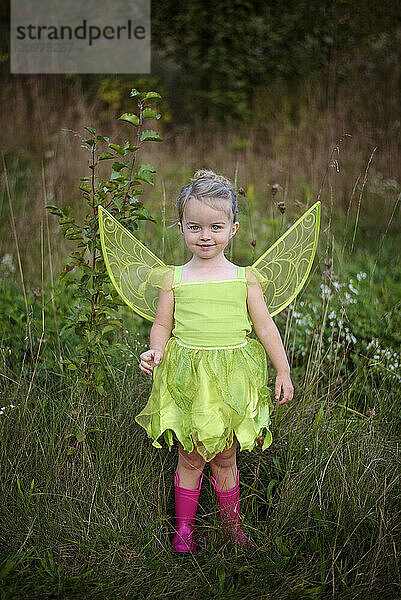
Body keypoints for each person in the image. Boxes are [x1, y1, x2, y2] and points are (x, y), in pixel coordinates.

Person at [136, 169, 294, 554]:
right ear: (181, 228)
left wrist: (283, 369)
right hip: (189, 379)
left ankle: (231, 526)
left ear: (233, 228)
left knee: (225, 455)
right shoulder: (173, 278)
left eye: (215, 226)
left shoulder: (245, 279)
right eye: (195, 227)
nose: (205, 236)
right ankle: (184, 530)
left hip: (232, 380)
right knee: (190, 455)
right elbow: (162, 325)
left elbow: (265, 328)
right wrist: (156, 350)